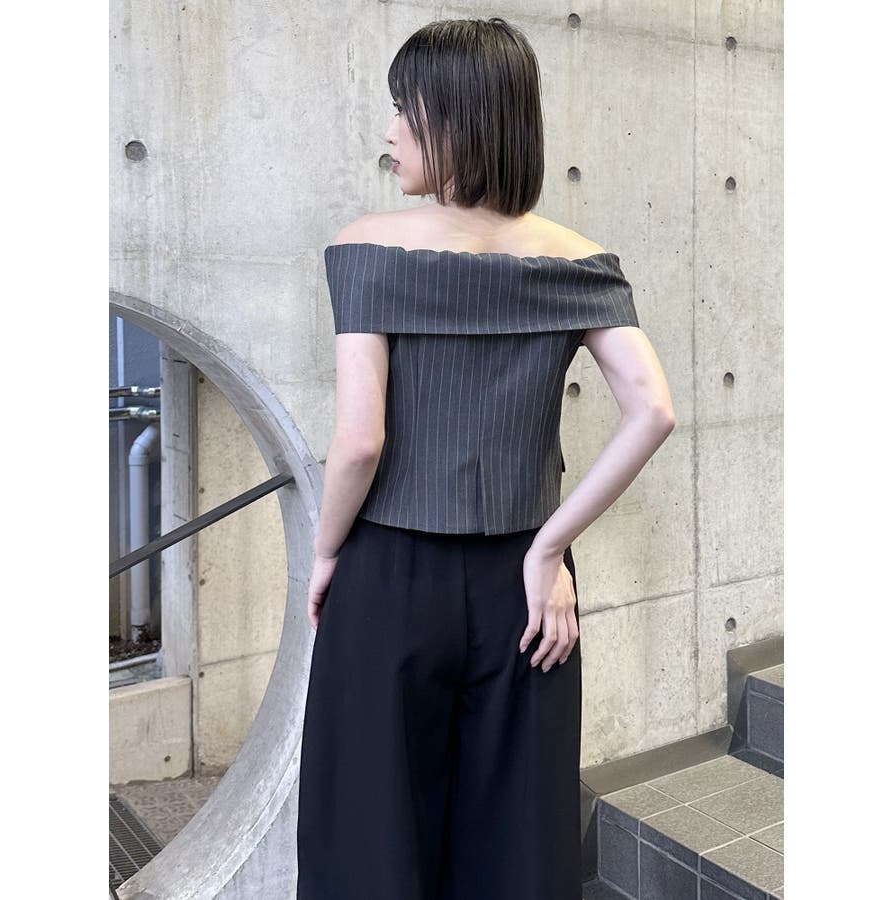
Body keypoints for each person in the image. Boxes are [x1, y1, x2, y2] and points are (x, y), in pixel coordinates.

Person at [296, 16, 675, 900]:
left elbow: (359, 439)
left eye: (404, 108)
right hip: (525, 590)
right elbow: (652, 410)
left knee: (368, 839)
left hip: (388, 577)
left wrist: (323, 554)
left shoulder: (366, 247)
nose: (389, 131)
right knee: (517, 843)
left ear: (453, 116)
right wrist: (549, 549)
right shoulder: (583, 262)